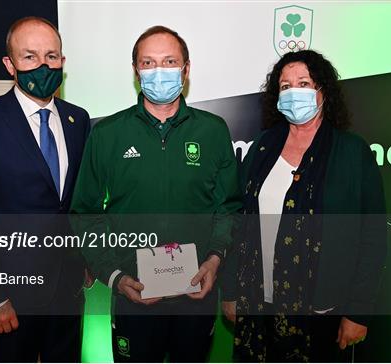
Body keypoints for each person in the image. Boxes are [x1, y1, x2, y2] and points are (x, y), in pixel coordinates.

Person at [70, 25, 241, 362]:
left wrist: (215, 258)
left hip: (196, 295)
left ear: (186, 69)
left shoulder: (213, 130)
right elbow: (86, 213)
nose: (159, 71)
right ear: (136, 71)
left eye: (169, 61)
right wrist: (115, 276)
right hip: (134, 296)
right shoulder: (107, 134)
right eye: (148, 63)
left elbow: (229, 206)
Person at [221, 50, 387, 362]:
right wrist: (230, 291)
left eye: (304, 83)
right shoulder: (262, 147)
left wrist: (358, 312)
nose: (294, 92)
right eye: (285, 86)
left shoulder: (353, 153)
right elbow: (238, 223)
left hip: (321, 313)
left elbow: (373, 239)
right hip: (258, 305)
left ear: (323, 91)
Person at [0, 16, 90, 362]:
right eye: (30, 57)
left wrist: (87, 259)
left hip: (69, 290)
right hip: (11, 295)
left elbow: (75, 203)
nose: (43, 65)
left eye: (51, 56)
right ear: (9, 64)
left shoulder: (78, 119)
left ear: (62, 62)